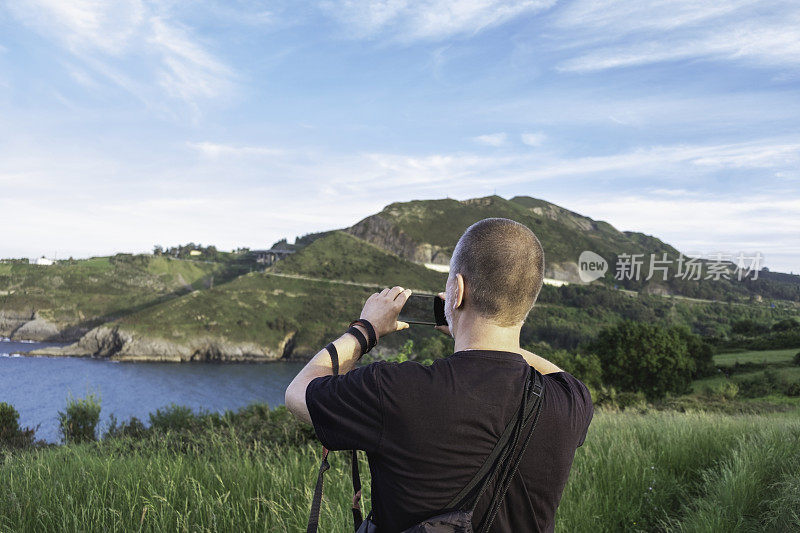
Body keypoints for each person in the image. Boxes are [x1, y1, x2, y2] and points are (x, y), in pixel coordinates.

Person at [285, 217, 594, 532]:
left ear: (457, 291)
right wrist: (475, 332)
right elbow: (562, 376)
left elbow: (298, 393)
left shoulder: (397, 388)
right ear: (529, 301)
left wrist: (366, 329)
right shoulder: (570, 401)